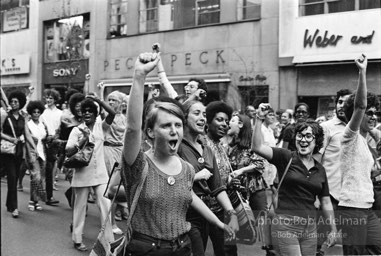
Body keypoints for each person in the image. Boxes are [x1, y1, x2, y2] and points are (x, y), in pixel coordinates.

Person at [120, 51, 234, 256]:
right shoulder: (138, 164)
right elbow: (131, 128)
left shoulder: (187, 169)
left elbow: (190, 196)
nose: (174, 131)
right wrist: (139, 76)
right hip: (146, 249)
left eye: (178, 125)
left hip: (182, 247)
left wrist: (218, 222)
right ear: (150, 132)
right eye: (166, 125)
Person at [252, 103, 338, 256]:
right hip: (286, 225)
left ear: (316, 141)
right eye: (300, 135)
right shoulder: (286, 157)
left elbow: (325, 201)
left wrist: (333, 229)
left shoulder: (320, 169)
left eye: (308, 136)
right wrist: (259, 118)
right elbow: (257, 147)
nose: (303, 140)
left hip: (310, 227)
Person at [177, 100, 239, 256]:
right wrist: (195, 176)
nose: (202, 118)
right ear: (184, 117)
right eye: (196, 113)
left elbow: (217, 187)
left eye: (204, 114)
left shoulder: (207, 150)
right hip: (184, 215)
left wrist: (231, 213)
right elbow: (169, 181)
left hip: (206, 213)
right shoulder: (176, 146)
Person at [337, 55, 381, 255]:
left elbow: (366, 173)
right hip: (352, 208)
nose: (373, 116)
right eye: (369, 113)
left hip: (367, 206)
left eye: (375, 113)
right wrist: (362, 71)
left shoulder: (365, 142)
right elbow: (359, 106)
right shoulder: (350, 136)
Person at [65, 97, 115, 251]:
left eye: (90, 111)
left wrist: (98, 100)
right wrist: (83, 140)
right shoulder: (76, 130)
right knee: (80, 207)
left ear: (95, 113)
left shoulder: (101, 127)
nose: (87, 113)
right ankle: (77, 239)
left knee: (105, 206)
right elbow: (68, 151)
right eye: (84, 111)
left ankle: (108, 241)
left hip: (100, 175)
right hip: (82, 175)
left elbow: (112, 113)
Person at [314, 88, 352, 254]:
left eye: (346, 102)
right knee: (318, 242)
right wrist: (315, 194)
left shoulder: (357, 128)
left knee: (350, 244)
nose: (342, 106)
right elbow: (314, 162)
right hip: (329, 196)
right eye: (339, 101)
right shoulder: (326, 128)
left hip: (350, 197)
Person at [204, 101, 240, 256]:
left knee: (228, 251)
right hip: (202, 211)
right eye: (219, 120)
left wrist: (230, 182)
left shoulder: (221, 146)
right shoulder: (201, 144)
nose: (225, 124)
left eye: (226, 121)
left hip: (222, 209)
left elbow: (220, 176)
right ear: (208, 122)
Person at [1, 91, 36, 218]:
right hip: (8, 151)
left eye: (16, 102)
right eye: (12, 101)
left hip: (19, 151)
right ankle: (15, 207)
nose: (13, 103)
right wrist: (11, 139)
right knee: (12, 176)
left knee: (14, 179)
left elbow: (27, 134)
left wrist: (34, 148)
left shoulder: (23, 118)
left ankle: (9, 204)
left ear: (20, 103)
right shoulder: (5, 115)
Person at [227, 113, 266, 219]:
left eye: (232, 120)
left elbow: (260, 164)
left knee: (261, 223)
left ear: (240, 124)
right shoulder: (230, 147)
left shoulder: (252, 144)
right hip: (239, 192)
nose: (228, 122)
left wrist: (242, 171)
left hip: (255, 191)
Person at [102, 90, 127, 235]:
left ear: (121, 103)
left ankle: (117, 215)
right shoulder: (107, 116)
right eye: (109, 99)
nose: (110, 102)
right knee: (111, 189)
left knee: (119, 187)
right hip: (108, 151)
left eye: (114, 100)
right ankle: (111, 223)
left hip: (120, 152)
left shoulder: (124, 118)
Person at [40, 88, 62, 205]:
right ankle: (46, 196)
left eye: (51, 98)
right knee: (44, 168)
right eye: (47, 97)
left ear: (55, 100)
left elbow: (60, 128)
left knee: (51, 168)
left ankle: (48, 195)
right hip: (43, 140)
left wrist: (55, 137)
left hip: (55, 142)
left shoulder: (60, 113)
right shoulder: (42, 111)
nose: (48, 100)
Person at [25, 100, 48, 211]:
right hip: (32, 153)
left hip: (42, 153)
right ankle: (32, 200)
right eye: (34, 112)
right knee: (35, 176)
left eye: (38, 112)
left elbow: (45, 137)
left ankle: (36, 200)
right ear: (30, 112)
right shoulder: (28, 125)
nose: (36, 114)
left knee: (40, 178)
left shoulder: (42, 125)